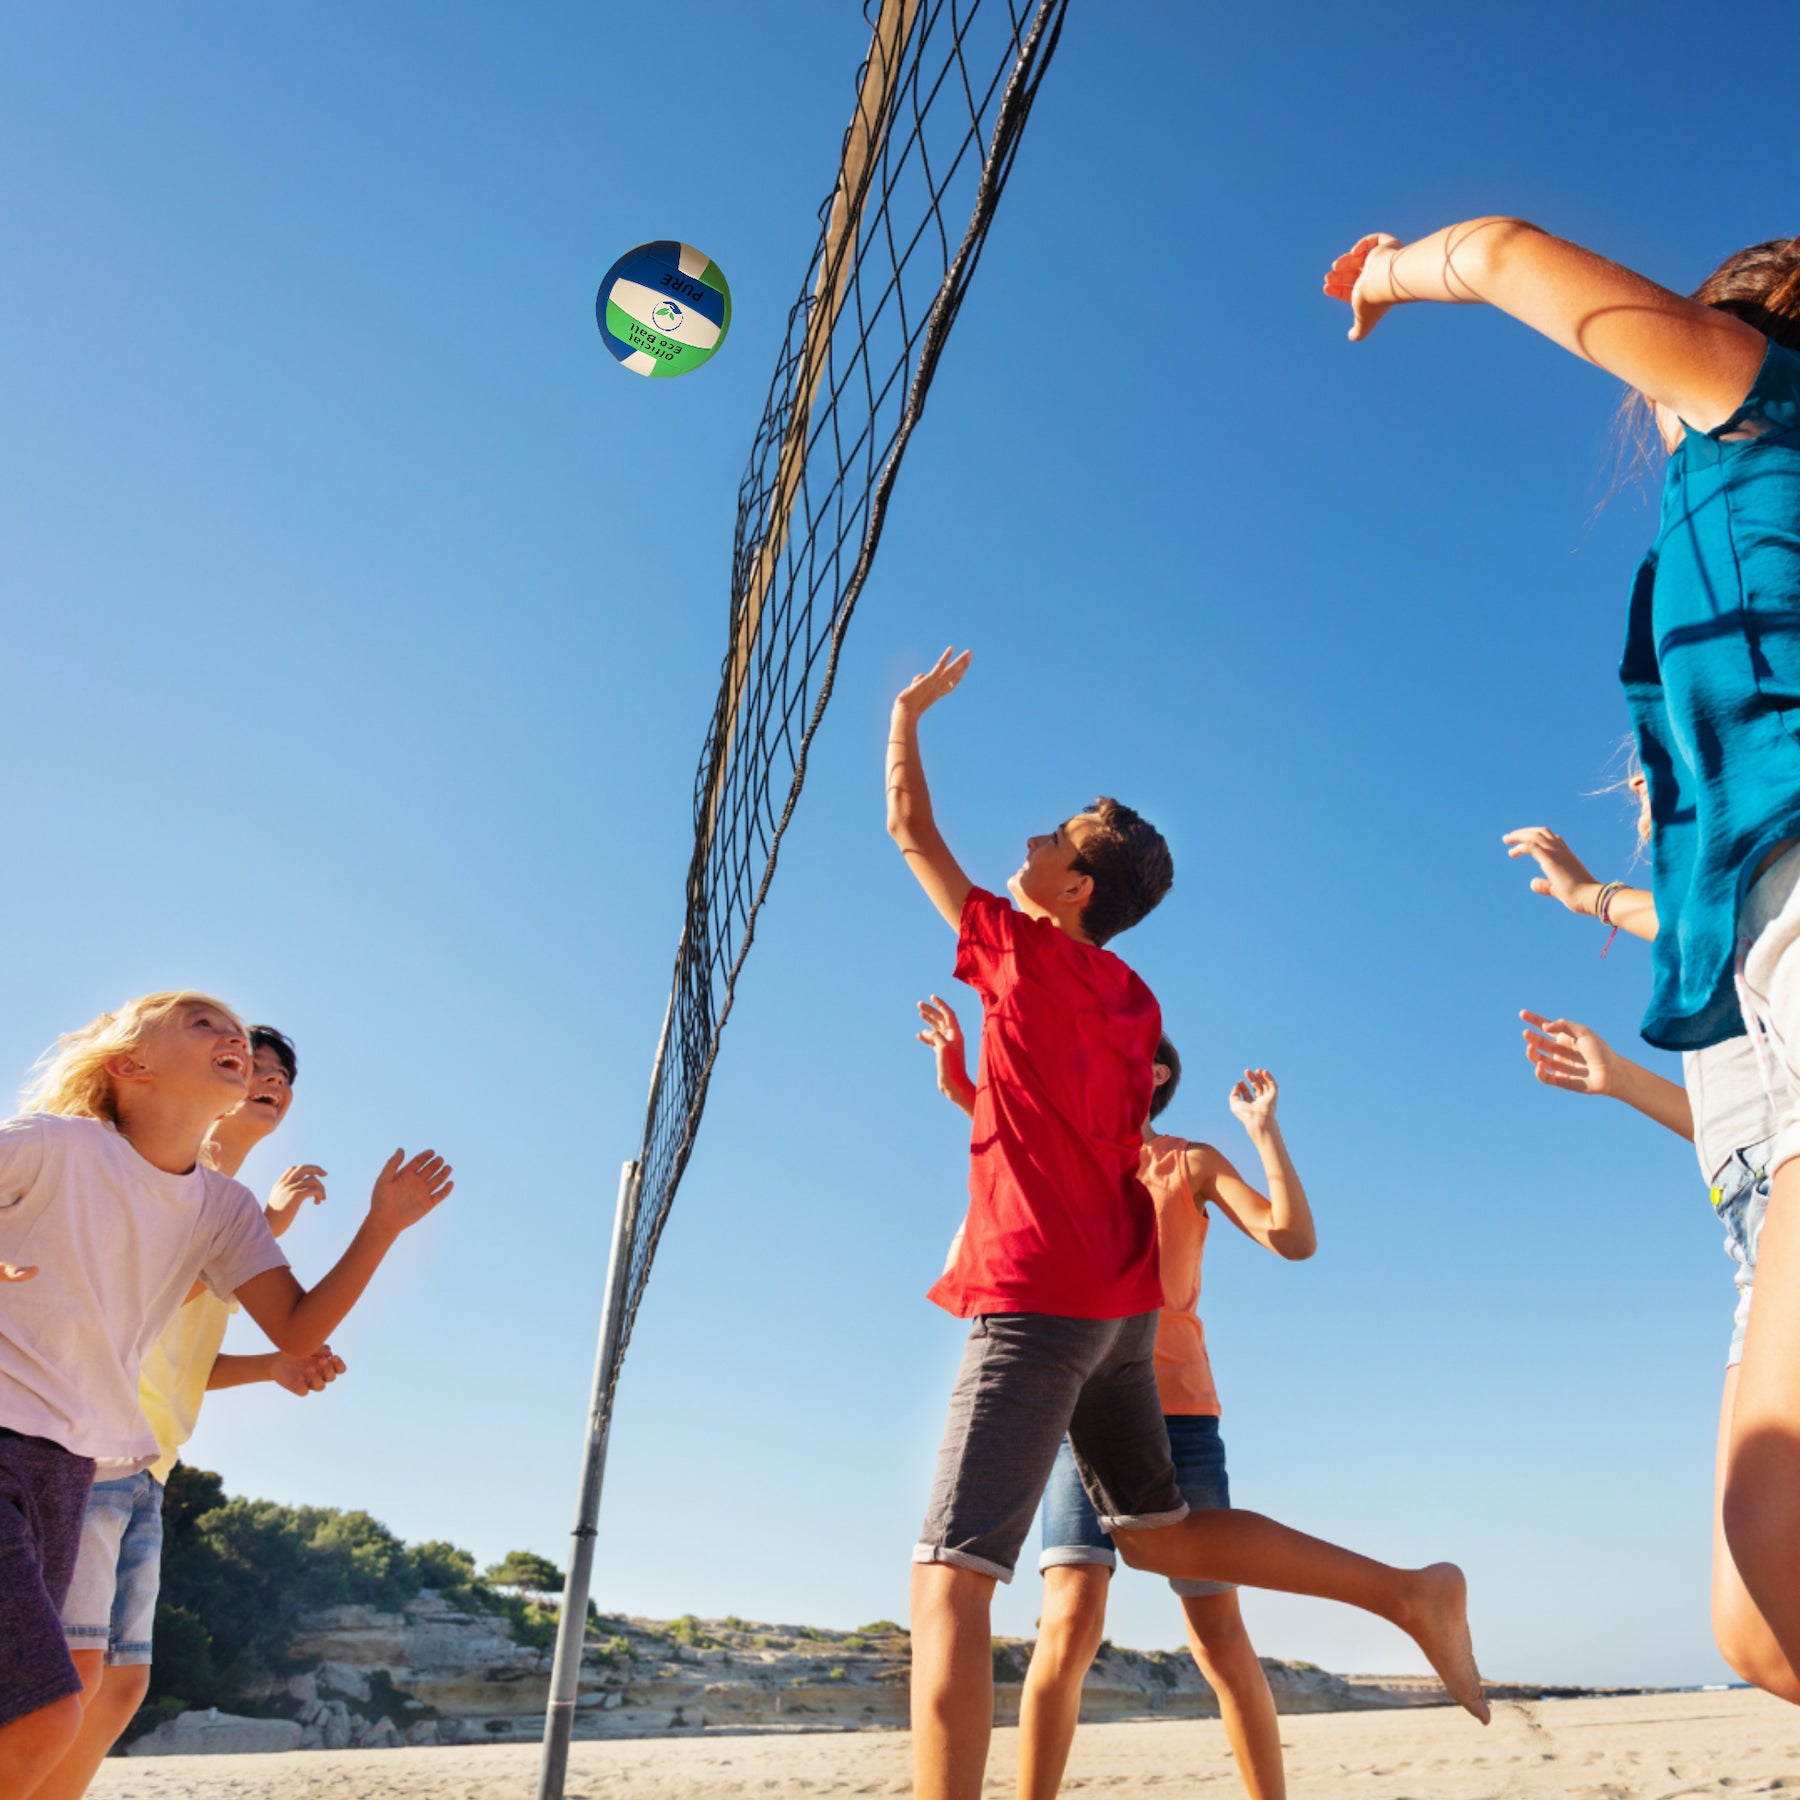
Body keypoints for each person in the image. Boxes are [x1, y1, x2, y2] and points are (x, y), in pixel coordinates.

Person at [886, 647, 1484, 1800]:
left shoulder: (1018, 955)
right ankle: (1408, 1592)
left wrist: (907, 714)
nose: (1028, 845)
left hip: (1041, 1299)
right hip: (1119, 1315)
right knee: (1155, 1534)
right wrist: (968, 1080)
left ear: (1073, 894)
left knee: (951, 1580)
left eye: (1050, 842)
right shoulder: (1133, 1001)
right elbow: (1059, 1127)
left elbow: (911, 829)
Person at [1326, 217, 1800, 1667]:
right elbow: (1727, 892)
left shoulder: (1756, 392)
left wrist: (1393, 270)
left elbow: (1510, 252)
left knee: (1775, 1574)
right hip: (1764, 996)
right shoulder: (1718, 549)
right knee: (1760, 1627)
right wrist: (1596, 900)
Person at [0, 991, 452, 1795]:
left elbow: (298, 1330)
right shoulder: (52, 1146)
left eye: (235, 1030)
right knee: (45, 1715)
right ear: (128, 1066)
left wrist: (381, 1225)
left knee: (60, 1710)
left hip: (70, 1466)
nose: (232, 1036)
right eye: (201, 1022)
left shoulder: (224, 1208)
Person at [919, 996, 1313, 1800]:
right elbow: (1001, 1119)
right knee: (1066, 1626)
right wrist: (956, 1076)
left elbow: (1292, 1240)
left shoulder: (1187, 1163)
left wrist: (1264, 1133)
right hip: (1075, 1409)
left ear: (1153, 1072)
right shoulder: (1066, 1156)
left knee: (1215, 1635)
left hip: (1178, 1411)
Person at [1507, 808, 1794, 1701]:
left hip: (1785, 1194)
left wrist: (1588, 895)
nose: (1641, 788)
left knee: (1773, 1571)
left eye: (1651, 763)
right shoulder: (1705, 951)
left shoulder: (1751, 871)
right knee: (1754, 1632)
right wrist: (1621, 1080)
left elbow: (1685, 912)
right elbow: (1728, 1140)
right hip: (1749, 1227)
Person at [39, 1025, 346, 1800]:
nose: (269, 1080)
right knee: (66, 1682)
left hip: (150, 1458)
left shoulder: (232, 1211)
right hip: (85, 1444)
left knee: (117, 1690)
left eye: (282, 1075)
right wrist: (269, 1232)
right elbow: (129, 1306)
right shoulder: (170, 1183)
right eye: (252, 1066)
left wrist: (273, 1366)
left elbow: (186, 1361)